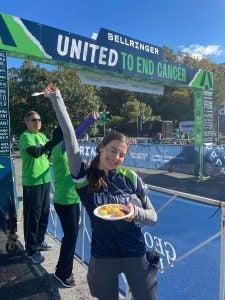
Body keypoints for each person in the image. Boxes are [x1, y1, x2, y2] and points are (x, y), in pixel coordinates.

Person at [44, 84, 158, 300]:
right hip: (103, 255)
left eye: (121, 154)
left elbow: (153, 217)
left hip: (135, 252)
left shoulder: (130, 178)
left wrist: (135, 212)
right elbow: (70, 137)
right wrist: (57, 99)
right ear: (101, 147)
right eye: (113, 150)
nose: (116, 157)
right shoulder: (84, 175)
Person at [50, 112, 99, 288]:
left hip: (69, 199)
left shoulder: (63, 152)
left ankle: (63, 270)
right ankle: (62, 273)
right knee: (71, 237)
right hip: (66, 201)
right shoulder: (60, 148)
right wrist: (89, 120)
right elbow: (74, 135)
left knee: (71, 236)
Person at [19, 111, 55, 264]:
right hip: (32, 182)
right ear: (26, 121)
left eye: (39, 119)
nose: (37, 122)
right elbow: (36, 152)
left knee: (44, 213)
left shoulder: (41, 136)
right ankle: (31, 249)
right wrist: (52, 143)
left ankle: (39, 242)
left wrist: (52, 145)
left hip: (45, 180)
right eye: (34, 120)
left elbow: (50, 151)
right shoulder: (26, 136)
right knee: (33, 216)